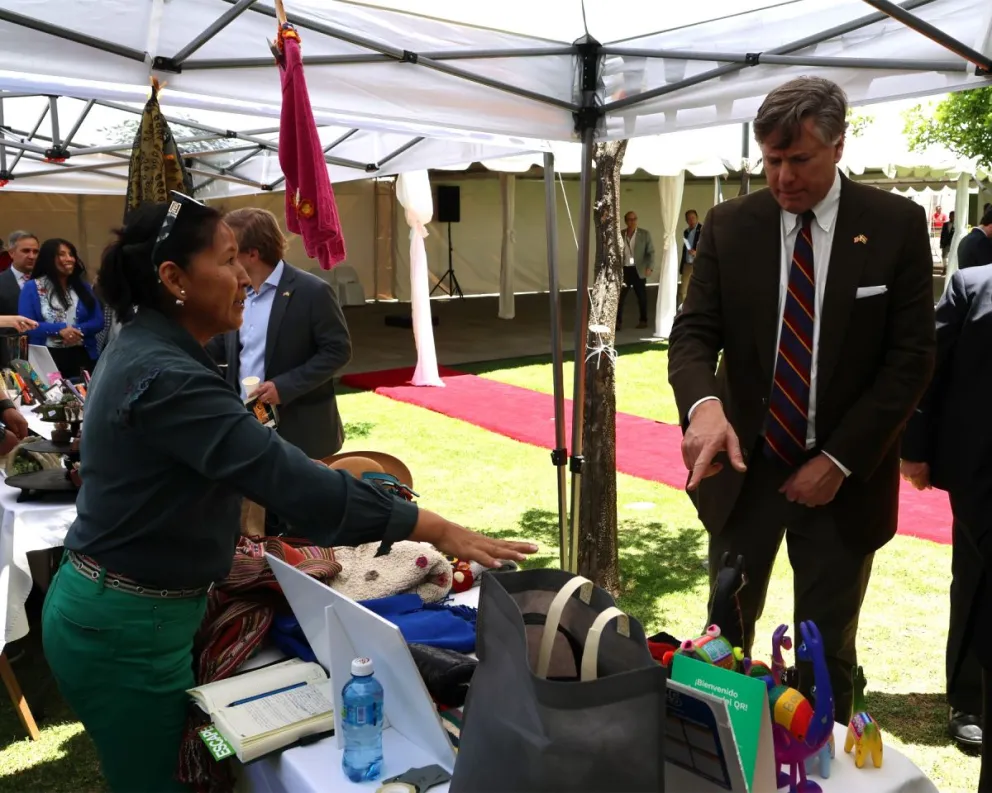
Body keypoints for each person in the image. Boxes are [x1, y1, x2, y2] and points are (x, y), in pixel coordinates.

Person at [41, 194, 535, 793]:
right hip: (126, 632)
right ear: (173, 278)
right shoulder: (167, 376)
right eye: (227, 262)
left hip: (133, 615)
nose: (244, 277)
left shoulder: (158, 344)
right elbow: (298, 486)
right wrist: (436, 528)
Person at [667, 76, 935, 724]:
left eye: (799, 160)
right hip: (743, 472)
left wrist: (840, 460)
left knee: (825, 653)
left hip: (845, 481)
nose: (782, 177)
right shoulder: (732, 226)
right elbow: (694, 334)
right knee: (723, 635)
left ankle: (819, 766)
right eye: (771, 161)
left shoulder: (895, 226)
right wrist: (705, 407)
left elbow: (911, 360)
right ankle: (722, 756)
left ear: (839, 145)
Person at [901, 264, 992, 754]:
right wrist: (915, 449)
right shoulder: (972, 286)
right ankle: (968, 701)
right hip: (982, 473)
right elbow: (930, 370)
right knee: (977, 582)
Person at [207, 207, 351, 459]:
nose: (224, 262)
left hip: (302, 432)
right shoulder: (235, 292)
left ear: (252, 254)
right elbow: (225, 344)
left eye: (231, 255)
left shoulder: (313, 292)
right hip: (247, 425)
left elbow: (337, 351)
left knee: (302, 499)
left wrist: (283, 387)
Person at [19, 238, 103, 377]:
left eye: (71, 254)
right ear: (49, 259)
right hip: (47, 358)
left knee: (85, 395)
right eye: (62, 254)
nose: (69, 259)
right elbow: (26, 324)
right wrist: (60, 330)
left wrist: (76, 330)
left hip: (82, 355)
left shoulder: (84, 287)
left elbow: (98, 321)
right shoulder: (32, 288)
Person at [0, 231, 38, 367]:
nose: (31, 256)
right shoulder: (1, 281)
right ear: (11, 253)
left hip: (44, 356)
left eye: (35, 251)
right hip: (7, 358)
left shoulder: (47, 282)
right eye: (26, 251)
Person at [617, 210, 654, 330]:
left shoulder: (644, 234)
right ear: (626, 221)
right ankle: (617, 322)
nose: (632, 222)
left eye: (634, 219)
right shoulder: (621, 234)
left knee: (642, 297)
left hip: (639, 269)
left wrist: (650, 267)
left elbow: (650, 252)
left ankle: (643, 320)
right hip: (625, 269)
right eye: (629, 219)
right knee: (620, 298)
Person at [680, 209, 703, 307]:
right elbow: (685, 249)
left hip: (699, 263)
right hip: (687, 264)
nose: (691, 220)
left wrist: (698, 252)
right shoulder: (686, 232)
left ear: (697, 218)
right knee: (683, 289)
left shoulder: (703, 229)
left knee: (700, 288)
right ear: (686, 220)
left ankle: (700, 308)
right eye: (689, 218)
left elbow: (709, 245)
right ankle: (687, 309)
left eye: (693, 217)